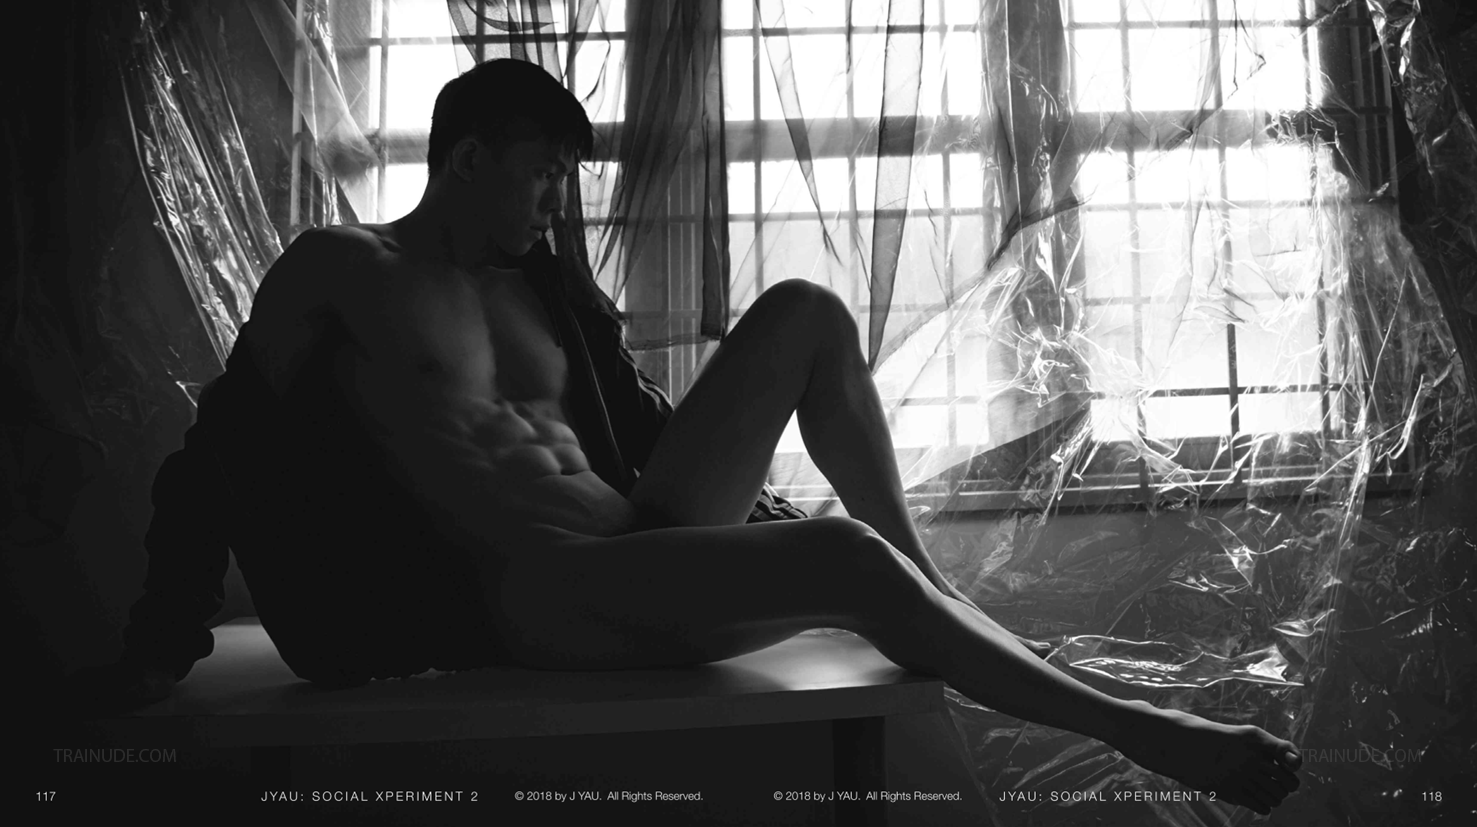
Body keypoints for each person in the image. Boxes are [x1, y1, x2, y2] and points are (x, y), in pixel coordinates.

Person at [76, 59, 1301, 815]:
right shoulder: (341, 270)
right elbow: (222, 443)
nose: (556, 200)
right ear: (467, 156)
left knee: (806, 313)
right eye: (540, 173)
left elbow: (641, 433)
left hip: (635, 543)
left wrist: (754, 523)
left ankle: (924, 585)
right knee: (841, 562)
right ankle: (1144, 732)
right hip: (523, 592)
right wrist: (159, 641)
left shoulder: (540, 289)